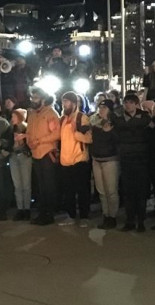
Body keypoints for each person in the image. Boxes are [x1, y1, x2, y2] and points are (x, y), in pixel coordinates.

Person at [22, 87, 61, 225]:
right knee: (40, 185)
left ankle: (49, 214)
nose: (33, 100)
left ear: (43, 99)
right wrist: (28, 141)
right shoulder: (31, 114)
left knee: (48, 185)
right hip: (35, 153)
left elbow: (56, 133)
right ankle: (42, 212)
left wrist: (39, 141)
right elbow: (29, 130)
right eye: (32, 97)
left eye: (36, 98)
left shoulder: (50, 113)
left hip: (47, 153)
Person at [113, 93, 152, 232]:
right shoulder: (120, 119)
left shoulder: (144, 118)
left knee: (140, 191)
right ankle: (130, 220)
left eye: (130, 102)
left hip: (141, 159)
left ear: (136, 104)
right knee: (128, 191)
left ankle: (140, 220)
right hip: (126, 159)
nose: (127, 105)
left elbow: (149, 132)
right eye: (125, 102)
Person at [58, 92, 93, 227]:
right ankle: (70, 215)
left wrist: (75, 132)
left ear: (74, 103)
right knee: (68, 191)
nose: (64, 104)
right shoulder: (62, 119)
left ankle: (84, 216)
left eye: (66, 101)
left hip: (80, 160)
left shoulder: (82, 118)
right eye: (63, 102)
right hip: (65, 160)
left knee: (83, 189)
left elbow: (89, 138)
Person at [91, 99, 120, 229]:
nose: (101, 109)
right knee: (101, 191)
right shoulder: (95, 123)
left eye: (104, 107)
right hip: (97, 159)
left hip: (110, 160)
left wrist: (110, 132)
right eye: (100, 107)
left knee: (111, 190)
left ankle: (112, 216)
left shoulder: (115, 123)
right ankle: (106, 215)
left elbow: (118, 140)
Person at [9, 108, 32, 221]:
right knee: (17, 185)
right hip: (13, 157)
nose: (12, 119)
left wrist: (24, 137)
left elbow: (32, 139)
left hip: (24, 156)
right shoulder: (10, 129)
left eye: (14, 116)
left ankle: (27, 209)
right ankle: (20, 209)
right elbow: (7, 141)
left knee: (26, 184)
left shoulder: (27, 128)